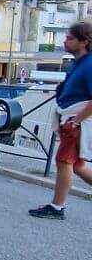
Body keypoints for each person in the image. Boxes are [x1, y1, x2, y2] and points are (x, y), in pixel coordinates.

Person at [29, 20, 92, 220]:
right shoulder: (78, 63)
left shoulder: (89, 64)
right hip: (71, 117)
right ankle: (57, 206)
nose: (65, 41)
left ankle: (57, 207)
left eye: (70, 38)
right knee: (77, 165)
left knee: (64, 161)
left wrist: (76, 121)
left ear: (84, 41)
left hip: (75, 119)